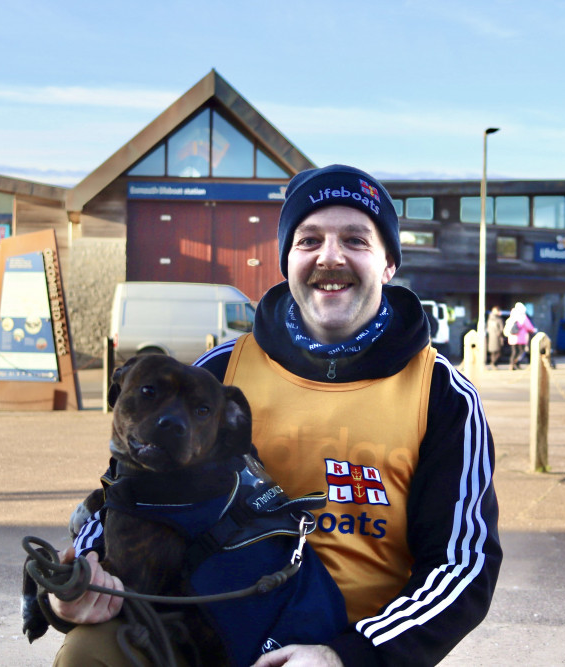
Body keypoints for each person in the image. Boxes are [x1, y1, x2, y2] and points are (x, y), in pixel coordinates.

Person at [50, 165, 502, 666]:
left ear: (389, 264)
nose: (330, 257)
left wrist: (344, 655)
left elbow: (463, 566)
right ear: (287, 260)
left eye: (356, 240)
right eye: (309, 240)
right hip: (201, 624)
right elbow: (127, 485)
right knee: (88, 654)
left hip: (355, 641)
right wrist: (85, 568)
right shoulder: (219, 374)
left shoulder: (442, 394)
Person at [503, 302, 536, 371]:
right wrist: (533, 330)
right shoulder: (522, 316)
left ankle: (512, 365)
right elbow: (529, 326)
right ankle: (516, 362)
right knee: (522, 351)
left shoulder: (512, 316)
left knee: (514, 352)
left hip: (512, 338)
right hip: (520, 338)